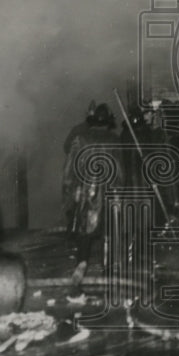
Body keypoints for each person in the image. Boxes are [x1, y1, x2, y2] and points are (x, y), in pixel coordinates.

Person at [62, 102, 118, 301]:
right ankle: (108, 277)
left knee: (84, 234)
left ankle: (81, 265)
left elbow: (69, 170)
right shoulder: (115, 140)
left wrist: (70, 193)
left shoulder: (80, 138)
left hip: (86, 194)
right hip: (108, 195)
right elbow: (120, 172)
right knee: (108, 235)